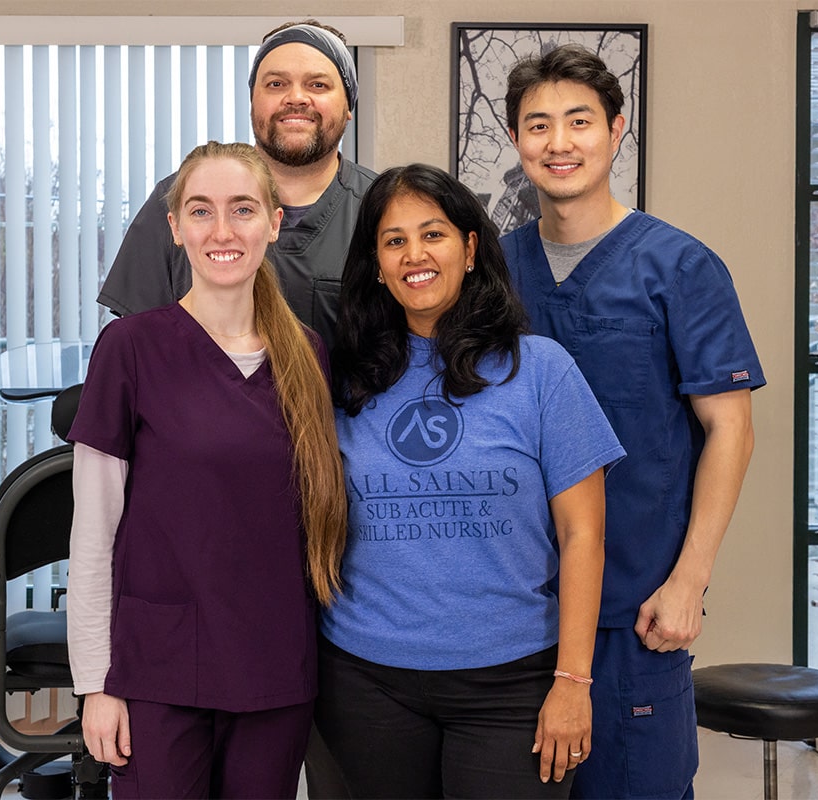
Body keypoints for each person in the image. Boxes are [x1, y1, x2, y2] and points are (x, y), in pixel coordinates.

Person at [500, 45, 765, 800]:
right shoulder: (492, 266)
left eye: (579, 122)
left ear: (618, 130)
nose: (559, 143)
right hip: (511, 614)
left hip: (634, 607)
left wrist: (689, 579)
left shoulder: (681, 268)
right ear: (517, 141)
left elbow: (731, 432)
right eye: (538, 125)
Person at [314, 163, 626, 799]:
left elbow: (584, 535)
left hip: (513, 682)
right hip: (365, 681)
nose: (414, 255)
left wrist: (573, 681)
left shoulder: (540, 371)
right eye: (394, 240)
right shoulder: (344, 380)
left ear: (471, 247)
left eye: (433, 234)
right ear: (376, 263)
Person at [65, 141, 347, 799]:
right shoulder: (129, 349)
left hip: (274, 666)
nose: (223, 231)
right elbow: (93, 537)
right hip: (157, 669)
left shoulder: (306, 355)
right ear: (176, 227)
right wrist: (96, 685)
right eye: (201, 211)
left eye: (243, 209)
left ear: (275, 223)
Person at [98, 19, 375, 350]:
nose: (296, 98)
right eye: (276, 84)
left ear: (349, 106)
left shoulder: (382, 210)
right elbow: (135, 352)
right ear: (253, 101)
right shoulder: (179, 199)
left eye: (318, 85)